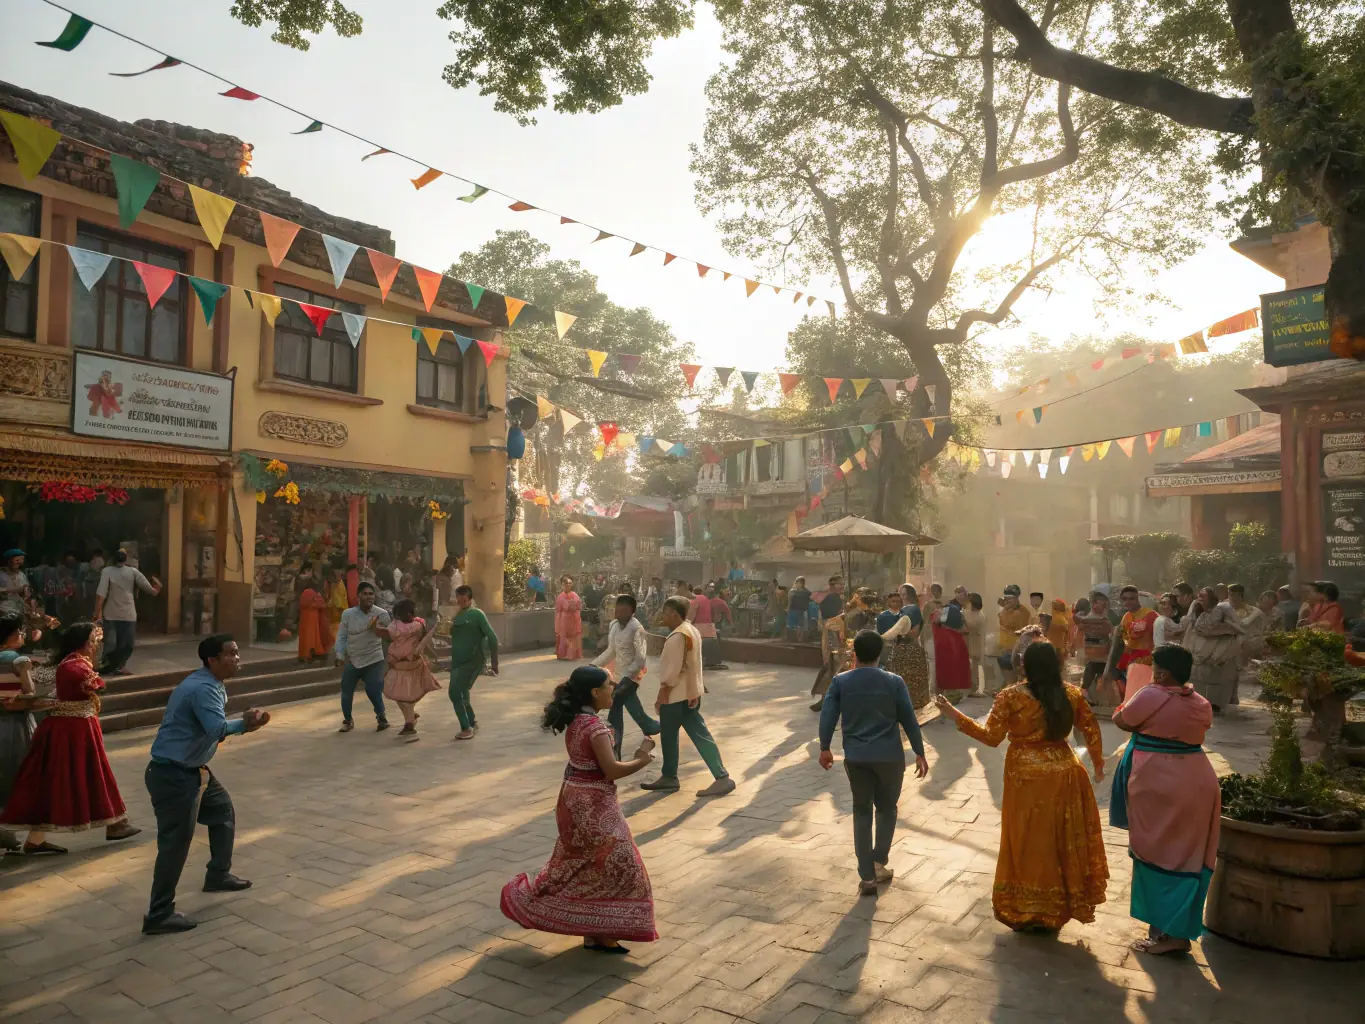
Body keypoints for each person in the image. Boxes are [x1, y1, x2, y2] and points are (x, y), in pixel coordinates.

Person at [935, 642, 1108, 933]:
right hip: (1066, 772)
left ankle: (1029, 908)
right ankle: (1059, 905)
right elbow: (1091, 729)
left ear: (1023, 665)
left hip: (1026, 777)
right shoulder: (1072, 693)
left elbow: (991, 737)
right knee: (1061, 840)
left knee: (1027, 840)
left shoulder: (1011, 696)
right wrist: (1099, 764)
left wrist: (955, 715)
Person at [500, 666, 657, 953]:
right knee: (622, 863)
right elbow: (610, 770)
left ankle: (593, 931)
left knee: (586, 861)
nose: (613, 689)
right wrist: (642, 758)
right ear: (595, 692)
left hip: (573, 799)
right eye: (609, 685)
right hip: (593, 804)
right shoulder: (595, 727)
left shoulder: (577, 721)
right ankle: (603, 930)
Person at [142, 635, 268, 934]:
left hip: (191, 768)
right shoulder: (203, 688)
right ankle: (159, 913)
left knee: (222, 810)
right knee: (174, 844)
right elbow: (215, 729)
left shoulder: (208, 683)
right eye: (231, 654)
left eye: (238, 653)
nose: (237, 659)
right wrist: (247, 723)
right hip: (174, 775)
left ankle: (218, 875)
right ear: (212, 659)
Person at [1110, 644, 1219, 957]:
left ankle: (1169, 936)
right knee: (1186, 857)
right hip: (1197, 779)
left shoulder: (1150, 694)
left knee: (1156, 854)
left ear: (1163, 672)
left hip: (1158, 781)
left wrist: (1139, 691)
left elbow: (1121, 720)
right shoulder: (1200, 702)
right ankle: (1175, 931)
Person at [1, 621, 141, 853]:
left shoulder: (69, 662)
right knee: (65, 779)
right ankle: (116, 824)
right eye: (92, 641)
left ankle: (38, 840)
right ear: (84, 642)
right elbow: (88, 683)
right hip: (70, 730)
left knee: (66, 779)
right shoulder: (72, 665)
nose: (95, 645)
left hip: (75, 727)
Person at [819, 630, 929, 895]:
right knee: (887, 809)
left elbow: (828, 716)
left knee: (862, 811)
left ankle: (866, 876)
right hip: (890, 757)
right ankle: (879, 861)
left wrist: (824, 748)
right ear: (881, 653)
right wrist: (919, 752)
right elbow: (909, 719)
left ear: (854, 652)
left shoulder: (841, 682)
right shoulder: (894, 682)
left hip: (857, 757)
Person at [640, 597, 735, 796]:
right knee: (696, 734)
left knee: (671, 736)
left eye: (665, 613)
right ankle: (676, 775)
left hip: (676, 695)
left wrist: (662, 693)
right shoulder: (691, 630)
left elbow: (671, 671)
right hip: (691, 693)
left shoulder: (676, 637)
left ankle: (712, 776)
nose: (663, 617)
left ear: (674, 613)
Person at [594, 594, 661, 758]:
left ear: (632, 611)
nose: (618, 612)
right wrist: (594, 665)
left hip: (632, 675)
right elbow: (611, 651)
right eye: (617, 608)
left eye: (623, 609)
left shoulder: (637, 629)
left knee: (615, 705)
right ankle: (652, 726)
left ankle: (615, 750)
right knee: (631, 703)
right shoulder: (614, 625)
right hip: (618, 674)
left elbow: (640, 659)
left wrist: (626, 677)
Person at [375, 598, 440, 741]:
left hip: (413, 664)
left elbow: (424, 640)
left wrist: (430, 652)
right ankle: (410, 717)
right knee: (399, 694)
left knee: (407, 695)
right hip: (398, 665)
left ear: (411, 613)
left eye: (404, 613)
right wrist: (376, 628)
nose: (401, 616)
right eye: (399, 613)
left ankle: (409, 724)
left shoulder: (418, 625)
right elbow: (387, 634)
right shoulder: (396, 626)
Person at [0, 615, 38, 853]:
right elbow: (30, 690)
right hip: (16, 723)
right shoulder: (19, 660)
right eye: (21, 632)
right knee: (17, 771)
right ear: (13, 635)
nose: (23, 636)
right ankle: (9, 826)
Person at [334, 582, 391, 733]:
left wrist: (377, 629)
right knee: (346, 690)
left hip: (374, 658)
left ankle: (381, 717)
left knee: (373, 689)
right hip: (353, 658)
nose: (368, 597)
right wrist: (339, 654)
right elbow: (341, 636)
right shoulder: (348, 614)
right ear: (358, 596)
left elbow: (390, 635)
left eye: (371, 594)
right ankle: (347, 720)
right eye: (365, 594)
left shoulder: (382, 614)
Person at [93, 549, 162, 676]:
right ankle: (119, 666)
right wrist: (157, 585)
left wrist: (97, 612)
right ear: (126, 559)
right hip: (128, 615)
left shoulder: (107, 571)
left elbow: (101, 594)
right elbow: (152, 591)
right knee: (126, 644)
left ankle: (109, 667)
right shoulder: (133, 572)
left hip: (111, 614)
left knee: (111, 644)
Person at [449, 584, 499, 740]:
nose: (460, 599)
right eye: (458, 595)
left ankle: (466, 728)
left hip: (472, 660)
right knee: (462, 692)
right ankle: (470, 720)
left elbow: (492, 638)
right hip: (457, 661)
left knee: (454, 693)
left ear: (469, 597)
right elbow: (455, 638)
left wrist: (495, 662)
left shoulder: (477, 614)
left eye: (463, 595)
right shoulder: (457, 616)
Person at [1185, 587, 1245, 712]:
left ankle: (1216, 704)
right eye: (1199, 596)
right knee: (1199, 676)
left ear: (1211, 597)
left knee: (1218, 677)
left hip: (1219, 646)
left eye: (1204, 596)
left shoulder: (1222, 609)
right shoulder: (1199, 612)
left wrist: (1222, 631)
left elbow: (1235, 627)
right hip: (1202, 647)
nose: (1200, 599)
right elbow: (1193, 626)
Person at [1103, 585, 1159, 701]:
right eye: (1124, 599)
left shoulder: (1151, 615)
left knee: (1144, 696)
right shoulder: (1126, 617)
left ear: (1137, 598)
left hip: (1148, 663)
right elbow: (1124, 643)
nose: (1127, 602)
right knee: (1132, 696)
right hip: (1131, 663)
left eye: (1131, 598)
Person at [880, 588, 930, 708]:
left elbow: (913, 633)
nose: (900, 597)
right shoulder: (898, 612)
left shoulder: (913, 610)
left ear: (909, 595)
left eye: (903, 594)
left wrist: (897, 633)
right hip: (899, 650)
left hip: (910, 651)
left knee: (913, 684)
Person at [1076, 591, 1119, 705]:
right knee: (1091, 669)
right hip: (1092, 652)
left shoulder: (1110, 616)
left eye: (1097, 603)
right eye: (1093, 603)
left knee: (1105, 673)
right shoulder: (1087, 617)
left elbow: (1115, 631)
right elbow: (1081, 628)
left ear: (1105, 604)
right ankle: (1087, 693)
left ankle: (1105, 699)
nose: (1095, 606)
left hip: (1106, 652)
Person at [932, 593, 972, 703]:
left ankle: (945, 695)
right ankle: (946, 694)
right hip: (947, 647)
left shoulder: (945, 629)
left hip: (944, 648)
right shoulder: (949, 629)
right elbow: (965, 630)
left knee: (946, 672)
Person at [995, 585, 1033, 688]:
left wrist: (1007, 611)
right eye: (1006, 599)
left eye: (1010, 599)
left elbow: (1012, 624)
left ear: (1016, 599)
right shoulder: (1005, 610)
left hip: (1018, 648)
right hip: (1005, 646)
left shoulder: (1024, 611)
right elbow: (1001, 623)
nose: (1007, 601)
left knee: (1017, 677)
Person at [689, 583, 727, 670]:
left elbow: (691, 616)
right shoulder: (706, 599)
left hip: (699, 630)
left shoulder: (694, 600)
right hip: (711, 630)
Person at [296, 577, 333, 662]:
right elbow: (321, 604)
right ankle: (311, 653)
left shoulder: (305, 592)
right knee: (313, 636)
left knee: (306, 636)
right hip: (313, 617)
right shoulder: (313, 593)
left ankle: (304, 654)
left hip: (306, 618)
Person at [554, 575, 584, 660]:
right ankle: (563, 654)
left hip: (574, 619)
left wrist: (571, 605)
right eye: (566, 583)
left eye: (570, 583)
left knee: (574, 636)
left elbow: (578, 606)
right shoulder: (560, 596)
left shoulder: (575, 595)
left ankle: (573, 654)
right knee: (564, 636)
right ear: (562, 585)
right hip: (563, 620)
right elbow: (558, 610)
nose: (568, 585)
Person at [963, 592, 986, 695]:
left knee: (974, 666)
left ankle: (974, 687)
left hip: (975, 641)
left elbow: (971, 626)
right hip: (966, 640)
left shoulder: (980, 615)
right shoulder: (966, 612)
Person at [787, 576, 813, 640]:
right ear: (796, 583)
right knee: (794, 625)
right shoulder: (792, 591)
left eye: (801, 583)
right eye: (798, 582)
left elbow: (809, 601)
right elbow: (789, 601)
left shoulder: (807, 592)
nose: (799, 584)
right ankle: (796, 636)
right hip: (794, 610)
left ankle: (800, 636)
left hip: (803, 610)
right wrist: (788, 609)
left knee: (802, 625)